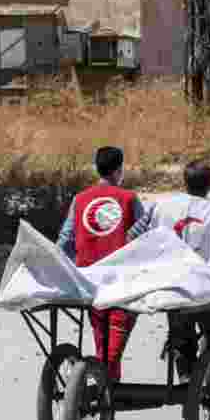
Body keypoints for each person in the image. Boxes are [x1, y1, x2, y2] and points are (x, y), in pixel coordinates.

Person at [128, 160, 210, 387]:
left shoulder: (158, 207)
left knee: (180, 335)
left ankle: (185, 381)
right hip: (207, 288)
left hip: (171, 285)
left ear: (185, 182)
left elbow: (132, 236)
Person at [56, 146, 146, 382]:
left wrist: (56, 268)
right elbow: (146, 237)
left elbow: (65, 240)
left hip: (89, 279)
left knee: (100, 335)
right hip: (121, 280)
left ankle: (106, 385)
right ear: (119, 170)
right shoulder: (129, 198)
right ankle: (106, 384)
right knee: (116, 336)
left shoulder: (80, 199)